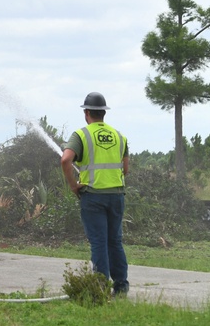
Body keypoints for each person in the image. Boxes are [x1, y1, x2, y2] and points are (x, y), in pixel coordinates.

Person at [60, 91, 129, 296]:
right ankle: (121, 287)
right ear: (103, 114)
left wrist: (74, 185)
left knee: (99, 242)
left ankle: (100, 288)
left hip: (93, 196)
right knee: (114, 241)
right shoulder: (119, 136)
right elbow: (125, 169)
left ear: (86, 113)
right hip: (116, 196)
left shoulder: (81, 135)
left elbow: (65, 160)